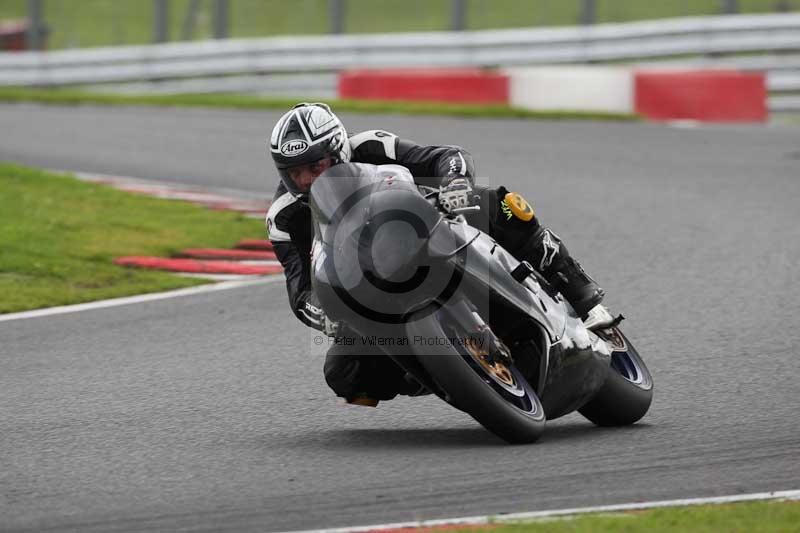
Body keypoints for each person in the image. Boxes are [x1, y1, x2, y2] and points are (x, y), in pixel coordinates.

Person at [267, 102, 608, 405]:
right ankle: (435, 371)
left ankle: (583, 295)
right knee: (345, 375)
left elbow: (443, 156)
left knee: (504, 206)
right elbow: (299, 290)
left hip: (428, 227)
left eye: (316, 167)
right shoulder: (284, 217)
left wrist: (454, 184)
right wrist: (326, 316)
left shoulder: (370, 145)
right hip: (367, 283)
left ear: (338, 149)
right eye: (296, 173)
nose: (308, 180)